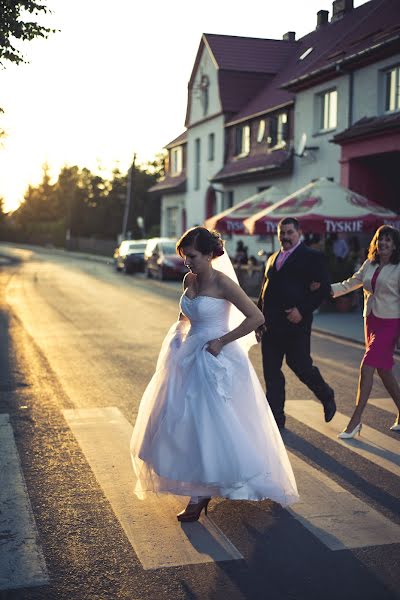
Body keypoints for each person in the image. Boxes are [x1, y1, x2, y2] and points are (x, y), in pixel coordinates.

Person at [131, 226, 299, 522]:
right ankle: (199, 487)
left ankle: (203, 493)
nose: (187, 263)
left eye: (192, 256)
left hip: (216, 357)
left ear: (210, 254)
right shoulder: (189, 278)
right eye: (184, 257)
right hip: (187, 353)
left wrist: (221, 341)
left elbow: (257, 317)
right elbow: (187, 313)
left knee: (215, 424)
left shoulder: (223, 284)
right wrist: (179, 333)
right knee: (184, 421)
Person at [257, 217, 336, 431]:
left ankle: (326, 394)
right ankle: (276, 420)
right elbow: (265, 290)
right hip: (270, 326)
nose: (285, 237)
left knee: (300, 366)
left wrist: (302, 310)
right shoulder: (272, 258)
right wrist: (257, 319)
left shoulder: (312, 257)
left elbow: (323, 289)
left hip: (295, 326)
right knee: (271, 374)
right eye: (282, 233)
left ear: (299, 233)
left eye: (289, 232)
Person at [330, 225, 400, 438]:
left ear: (395, 245)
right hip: (371, 320)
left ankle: (356, 420)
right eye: (380, 239)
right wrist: (325, 289)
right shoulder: (370, 264)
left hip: (391, 322)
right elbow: (351, 283)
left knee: (367, 366)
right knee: (384, 370)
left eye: (388, 240)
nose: (384, 244)